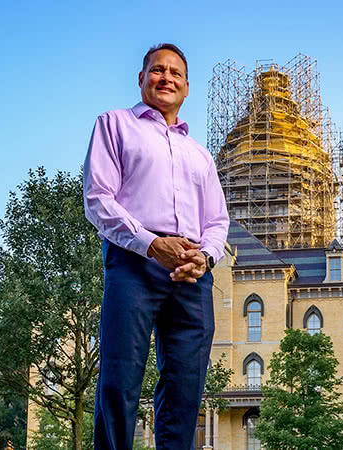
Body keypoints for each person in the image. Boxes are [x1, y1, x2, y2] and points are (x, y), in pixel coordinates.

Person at [83, 43, 229, 450]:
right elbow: (99, 199)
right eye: (157, 70)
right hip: (133, 262)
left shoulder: (200, 154)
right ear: (142, 78)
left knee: (186, 388)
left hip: (192, 273)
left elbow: (217, 221)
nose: (166, 78)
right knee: (120, 377)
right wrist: (150, 244)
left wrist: (205, 256)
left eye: (175, 73)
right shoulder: (114, 125)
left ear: (186, 88)